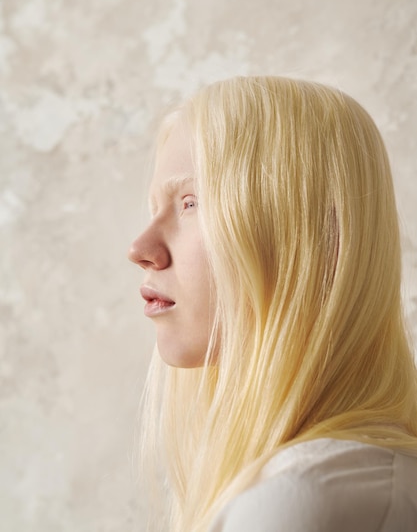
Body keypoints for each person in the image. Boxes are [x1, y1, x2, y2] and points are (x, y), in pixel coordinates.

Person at [128, 76, 417, 532]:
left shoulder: (301, 499)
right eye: (154, 209)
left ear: (304, 237)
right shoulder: (364, 478)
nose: (141, 248)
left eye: (190, 203)